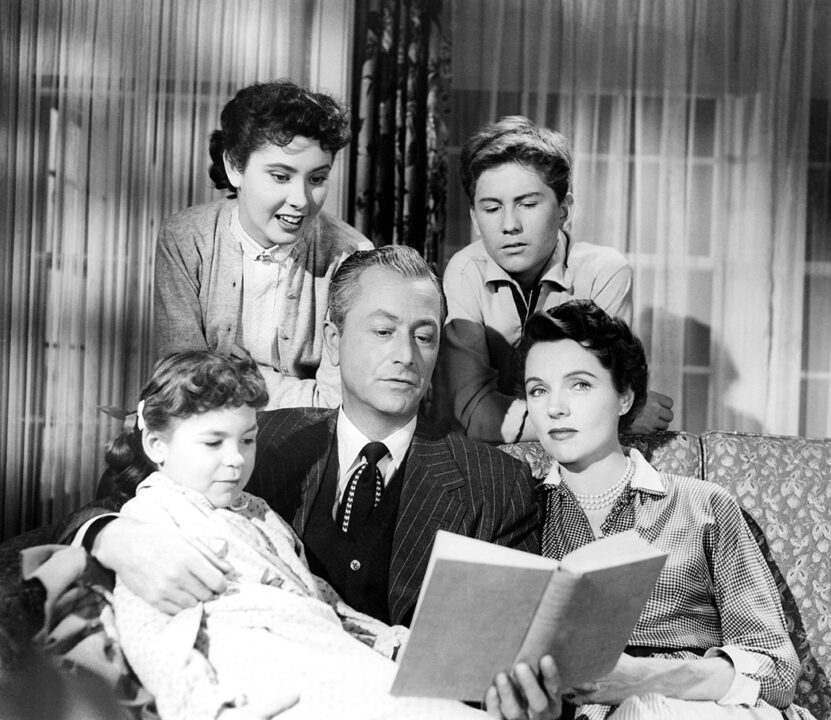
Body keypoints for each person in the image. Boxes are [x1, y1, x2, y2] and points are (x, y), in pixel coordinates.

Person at [66, 245, 541, 631]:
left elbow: (507, 640)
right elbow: (104, 508)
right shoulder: (254, 440)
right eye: (382, 330)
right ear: (333, 341)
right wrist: (110, 536)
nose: (405, 355)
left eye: (424, 336)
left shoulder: (496, 484)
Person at [106, 350, 485, 720]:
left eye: (247, 440)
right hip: (258, 673)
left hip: (317, 648)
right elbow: (148, 635)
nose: (236, 458)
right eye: (213, 442)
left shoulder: (256, 510)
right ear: (156, 445)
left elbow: (321, 599)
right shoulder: (150, 518)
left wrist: (389, 642)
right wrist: (204, 707)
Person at [485, 300, 814, 720]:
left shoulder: (702, 505)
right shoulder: (521, 512)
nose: (555, 408)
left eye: (580, 384)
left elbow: (777, 671)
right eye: (538, 389)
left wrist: (645, 677)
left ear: (624, 396)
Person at [438, 116, 673, 443]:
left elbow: (603, 389)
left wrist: (605, 410)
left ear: (564, 209)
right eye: (492, 208)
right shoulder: (464, 271)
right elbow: (475, 415)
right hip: (485, 463)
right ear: (475, 219)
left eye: (528, 204)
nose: (509, 225)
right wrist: (621, 418)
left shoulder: (604, 272)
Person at [154, 79, 371, 409]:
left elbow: (336, 401)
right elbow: (185, 382)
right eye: (281, 176)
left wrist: (221, 378)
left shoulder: (354, 259)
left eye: (317, 178)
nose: (300, 200)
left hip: (311, 447)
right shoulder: (187, 238)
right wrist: (299, 392)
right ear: (234, 167)